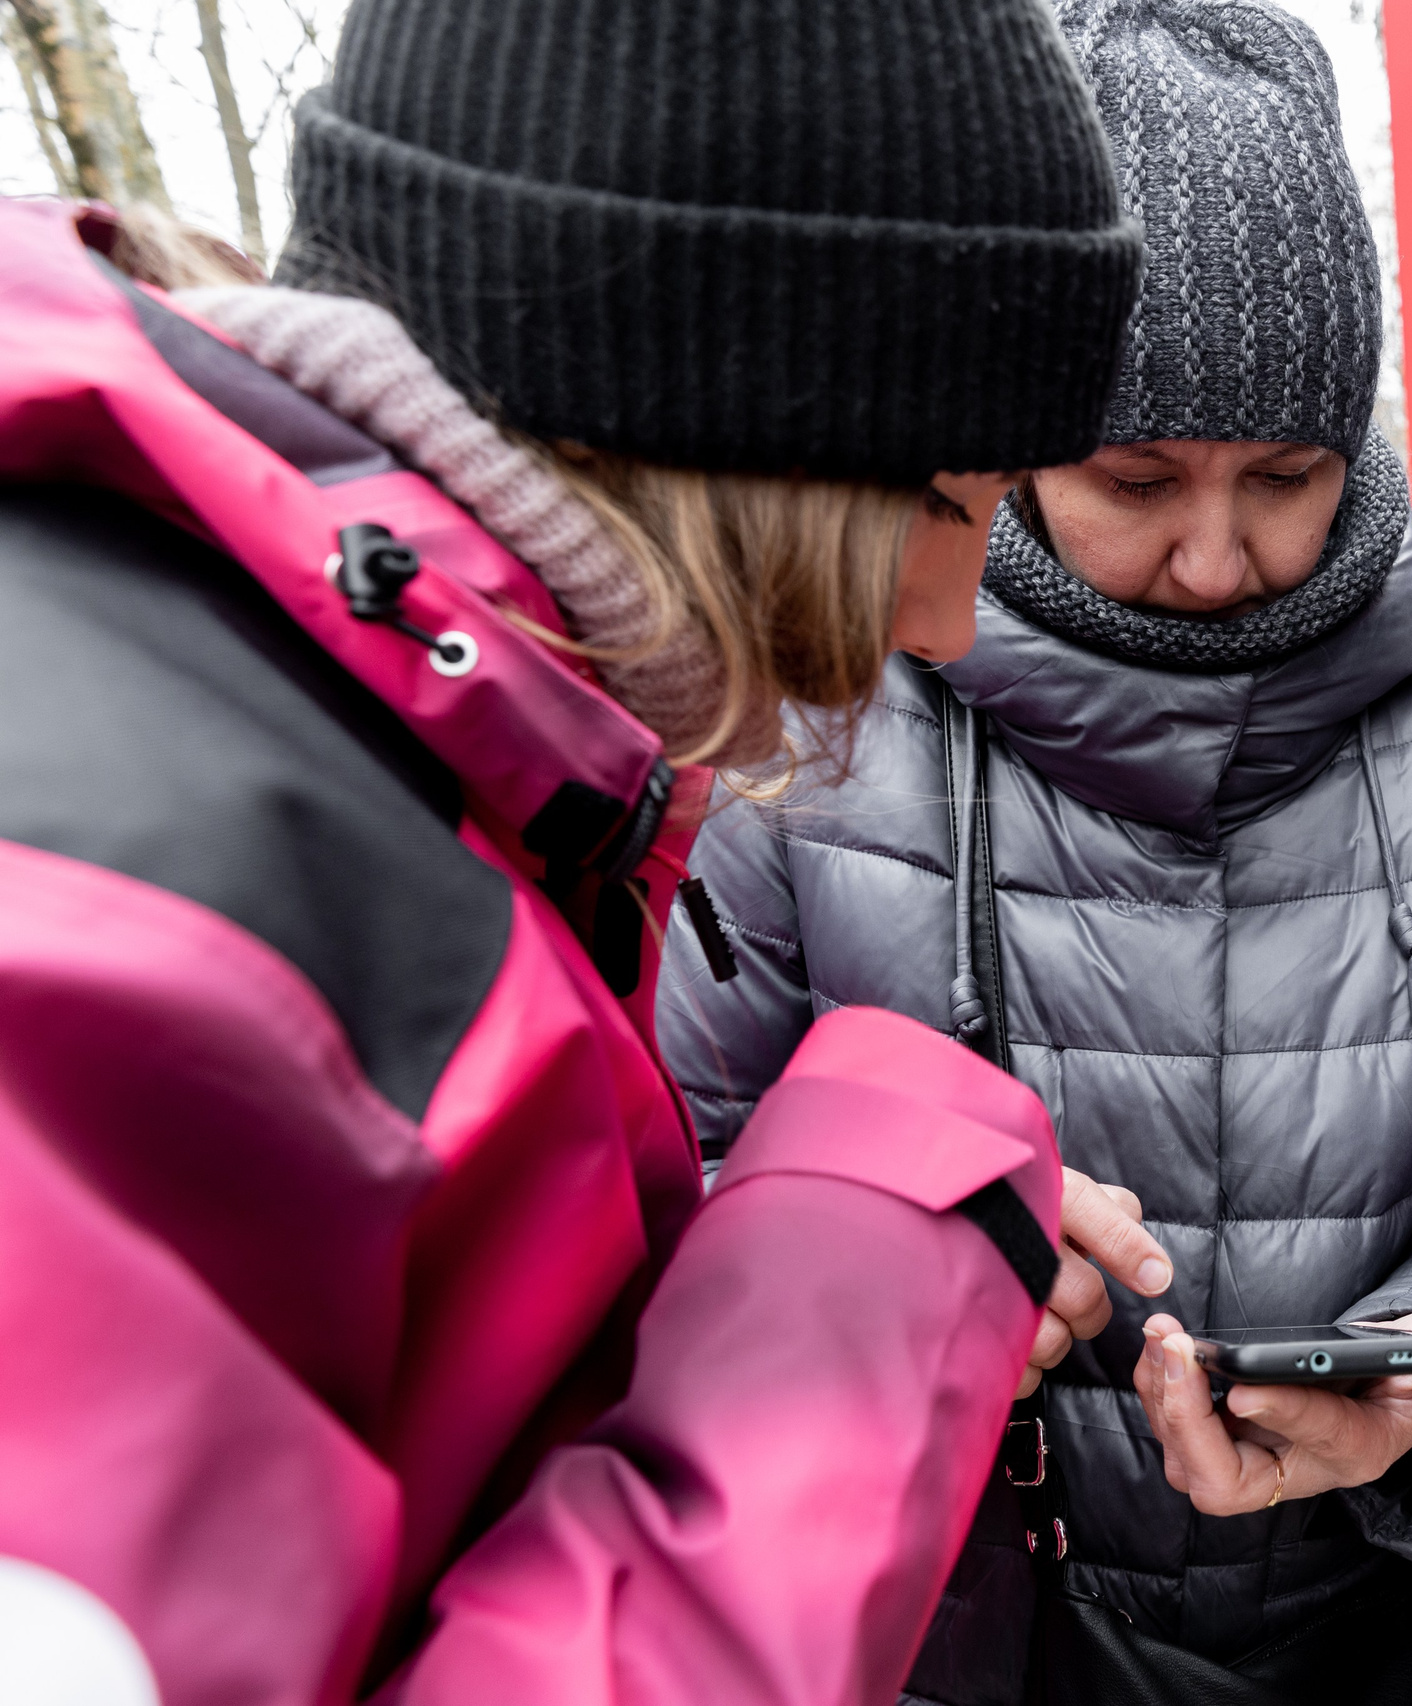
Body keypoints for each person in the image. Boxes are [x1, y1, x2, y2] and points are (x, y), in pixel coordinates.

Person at [0, 0, 1147, 1696]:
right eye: (954, 499)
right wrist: (870, 1277)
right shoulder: (147, 920)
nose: (956, 623)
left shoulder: (385, 756)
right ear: (742, 423)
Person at [658, 3, 1412, 1701]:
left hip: (1401, 1640)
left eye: (1287, 474)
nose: (1214, 554)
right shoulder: (809, 747)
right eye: (1136, 475)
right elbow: (678, 1189)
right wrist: (895, 1268)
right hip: (943, 1635)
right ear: (1007, 439)